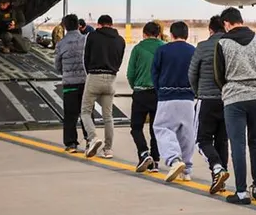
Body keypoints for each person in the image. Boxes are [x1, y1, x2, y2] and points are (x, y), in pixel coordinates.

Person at [213, 7, 256, 205]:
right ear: (241, 19)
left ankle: (241, 192)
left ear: (227, 23)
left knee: (237, 145)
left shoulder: (223, 42)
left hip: (234, 99)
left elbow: (218, 74)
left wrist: (230, 87)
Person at [189, 15, 231, 194]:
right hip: (227, 100)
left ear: (210, 30)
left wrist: (197, 91)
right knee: (222, 140)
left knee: (202, 140)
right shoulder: (230, 46)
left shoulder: (202, 46)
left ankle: (216, 168)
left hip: (206, 99)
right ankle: (221, 178)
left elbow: (192, 73)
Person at [151, 21, 196, 182]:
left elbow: (154, 74)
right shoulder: (193, 51)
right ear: (187, 35)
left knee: (162, 128)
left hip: (167, 96)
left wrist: (160, 91)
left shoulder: (162, 50)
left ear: (171, 34)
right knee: (187, 134)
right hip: (188, 99)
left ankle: (174, 159)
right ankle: (187, 170)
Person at [80, 14, 126, 159]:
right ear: (111, 25)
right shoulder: (120, 40)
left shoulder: (92, 36)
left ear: (99, 25)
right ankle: (108, 149)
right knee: (108, 116)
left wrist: (90, 74)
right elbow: (119, 60)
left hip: (94, 76)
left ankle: (93, 138)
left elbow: (85, 58)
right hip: (111, 78)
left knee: (85, 111)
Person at [127, 21, 164, 172]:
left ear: (144, 34)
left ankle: (143, 153)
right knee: (156, 128)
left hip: (140, 92)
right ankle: (155, 161)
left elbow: (130, 73)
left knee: (136, 127)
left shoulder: (138, 48)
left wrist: (135, 86)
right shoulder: (164, 48)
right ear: (158, 34)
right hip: (158, 93)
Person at [54, 14, 88, 153]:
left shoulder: (61, 44)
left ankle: (71, 143)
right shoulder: (86, 40)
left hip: (69, 83)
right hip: (86, 83)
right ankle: (90, 140)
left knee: (70, 114)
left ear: (65, 26)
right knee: (86, 112)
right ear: (78, 25)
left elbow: (57, 66)